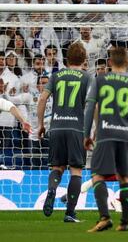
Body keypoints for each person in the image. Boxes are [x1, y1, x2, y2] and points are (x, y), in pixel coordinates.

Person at [84, 46, 128, 232]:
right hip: (127, 136)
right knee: (124, 177)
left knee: (97, 175)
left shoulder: (100, 80)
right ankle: (125, 222)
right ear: (127, 62)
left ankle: (105, 217)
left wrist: (87, 134)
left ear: (110, 63)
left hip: (106, 134)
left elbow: (89, 108)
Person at [37, 42, 91, 222]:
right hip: (76, 128)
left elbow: (43, 98)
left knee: (57, 167)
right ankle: (69, 213)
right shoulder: (87, 77)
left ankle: (52, 189)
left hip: (57, 127)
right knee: (76, 171)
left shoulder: (56, 76)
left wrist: (40, 124)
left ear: (67, 58)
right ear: (84, 59)